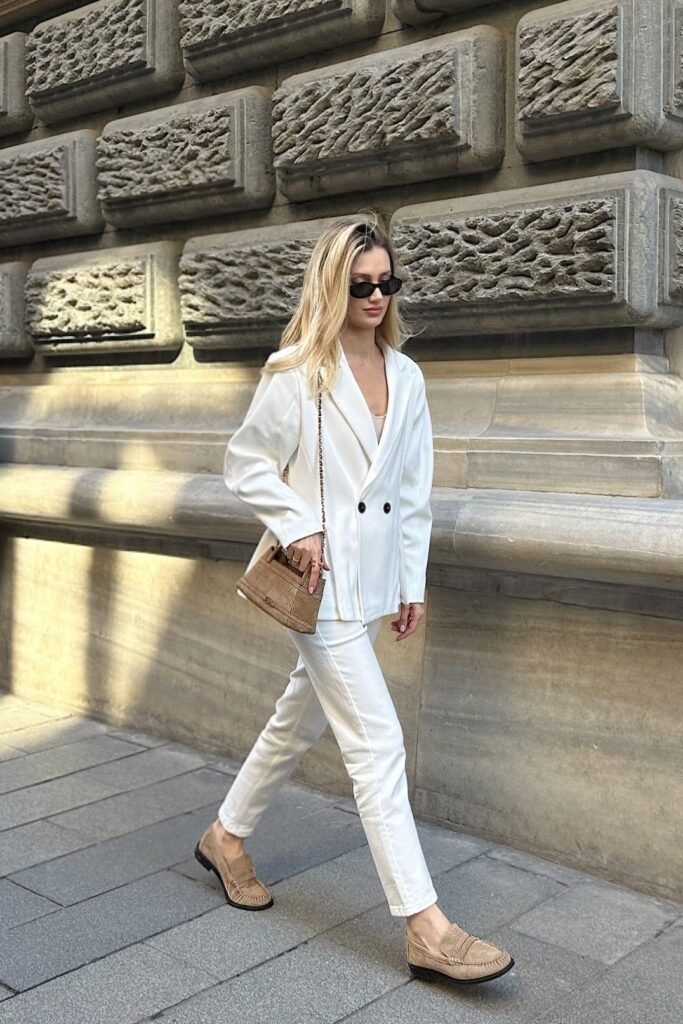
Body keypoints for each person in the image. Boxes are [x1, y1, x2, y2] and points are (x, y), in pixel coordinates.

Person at [194, 215, 514, 985]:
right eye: (360, 284)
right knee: (377, 745)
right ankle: (425, 926)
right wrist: (297, 524)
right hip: (320, 585)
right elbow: (245, 462)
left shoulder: (407, 376)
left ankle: (225, 838)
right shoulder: (297, 371)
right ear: (332, 286)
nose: (375, 296)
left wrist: (410, 584)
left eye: (385, 282)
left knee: (296, 720)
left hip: (373, 586)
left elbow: (413, 491)